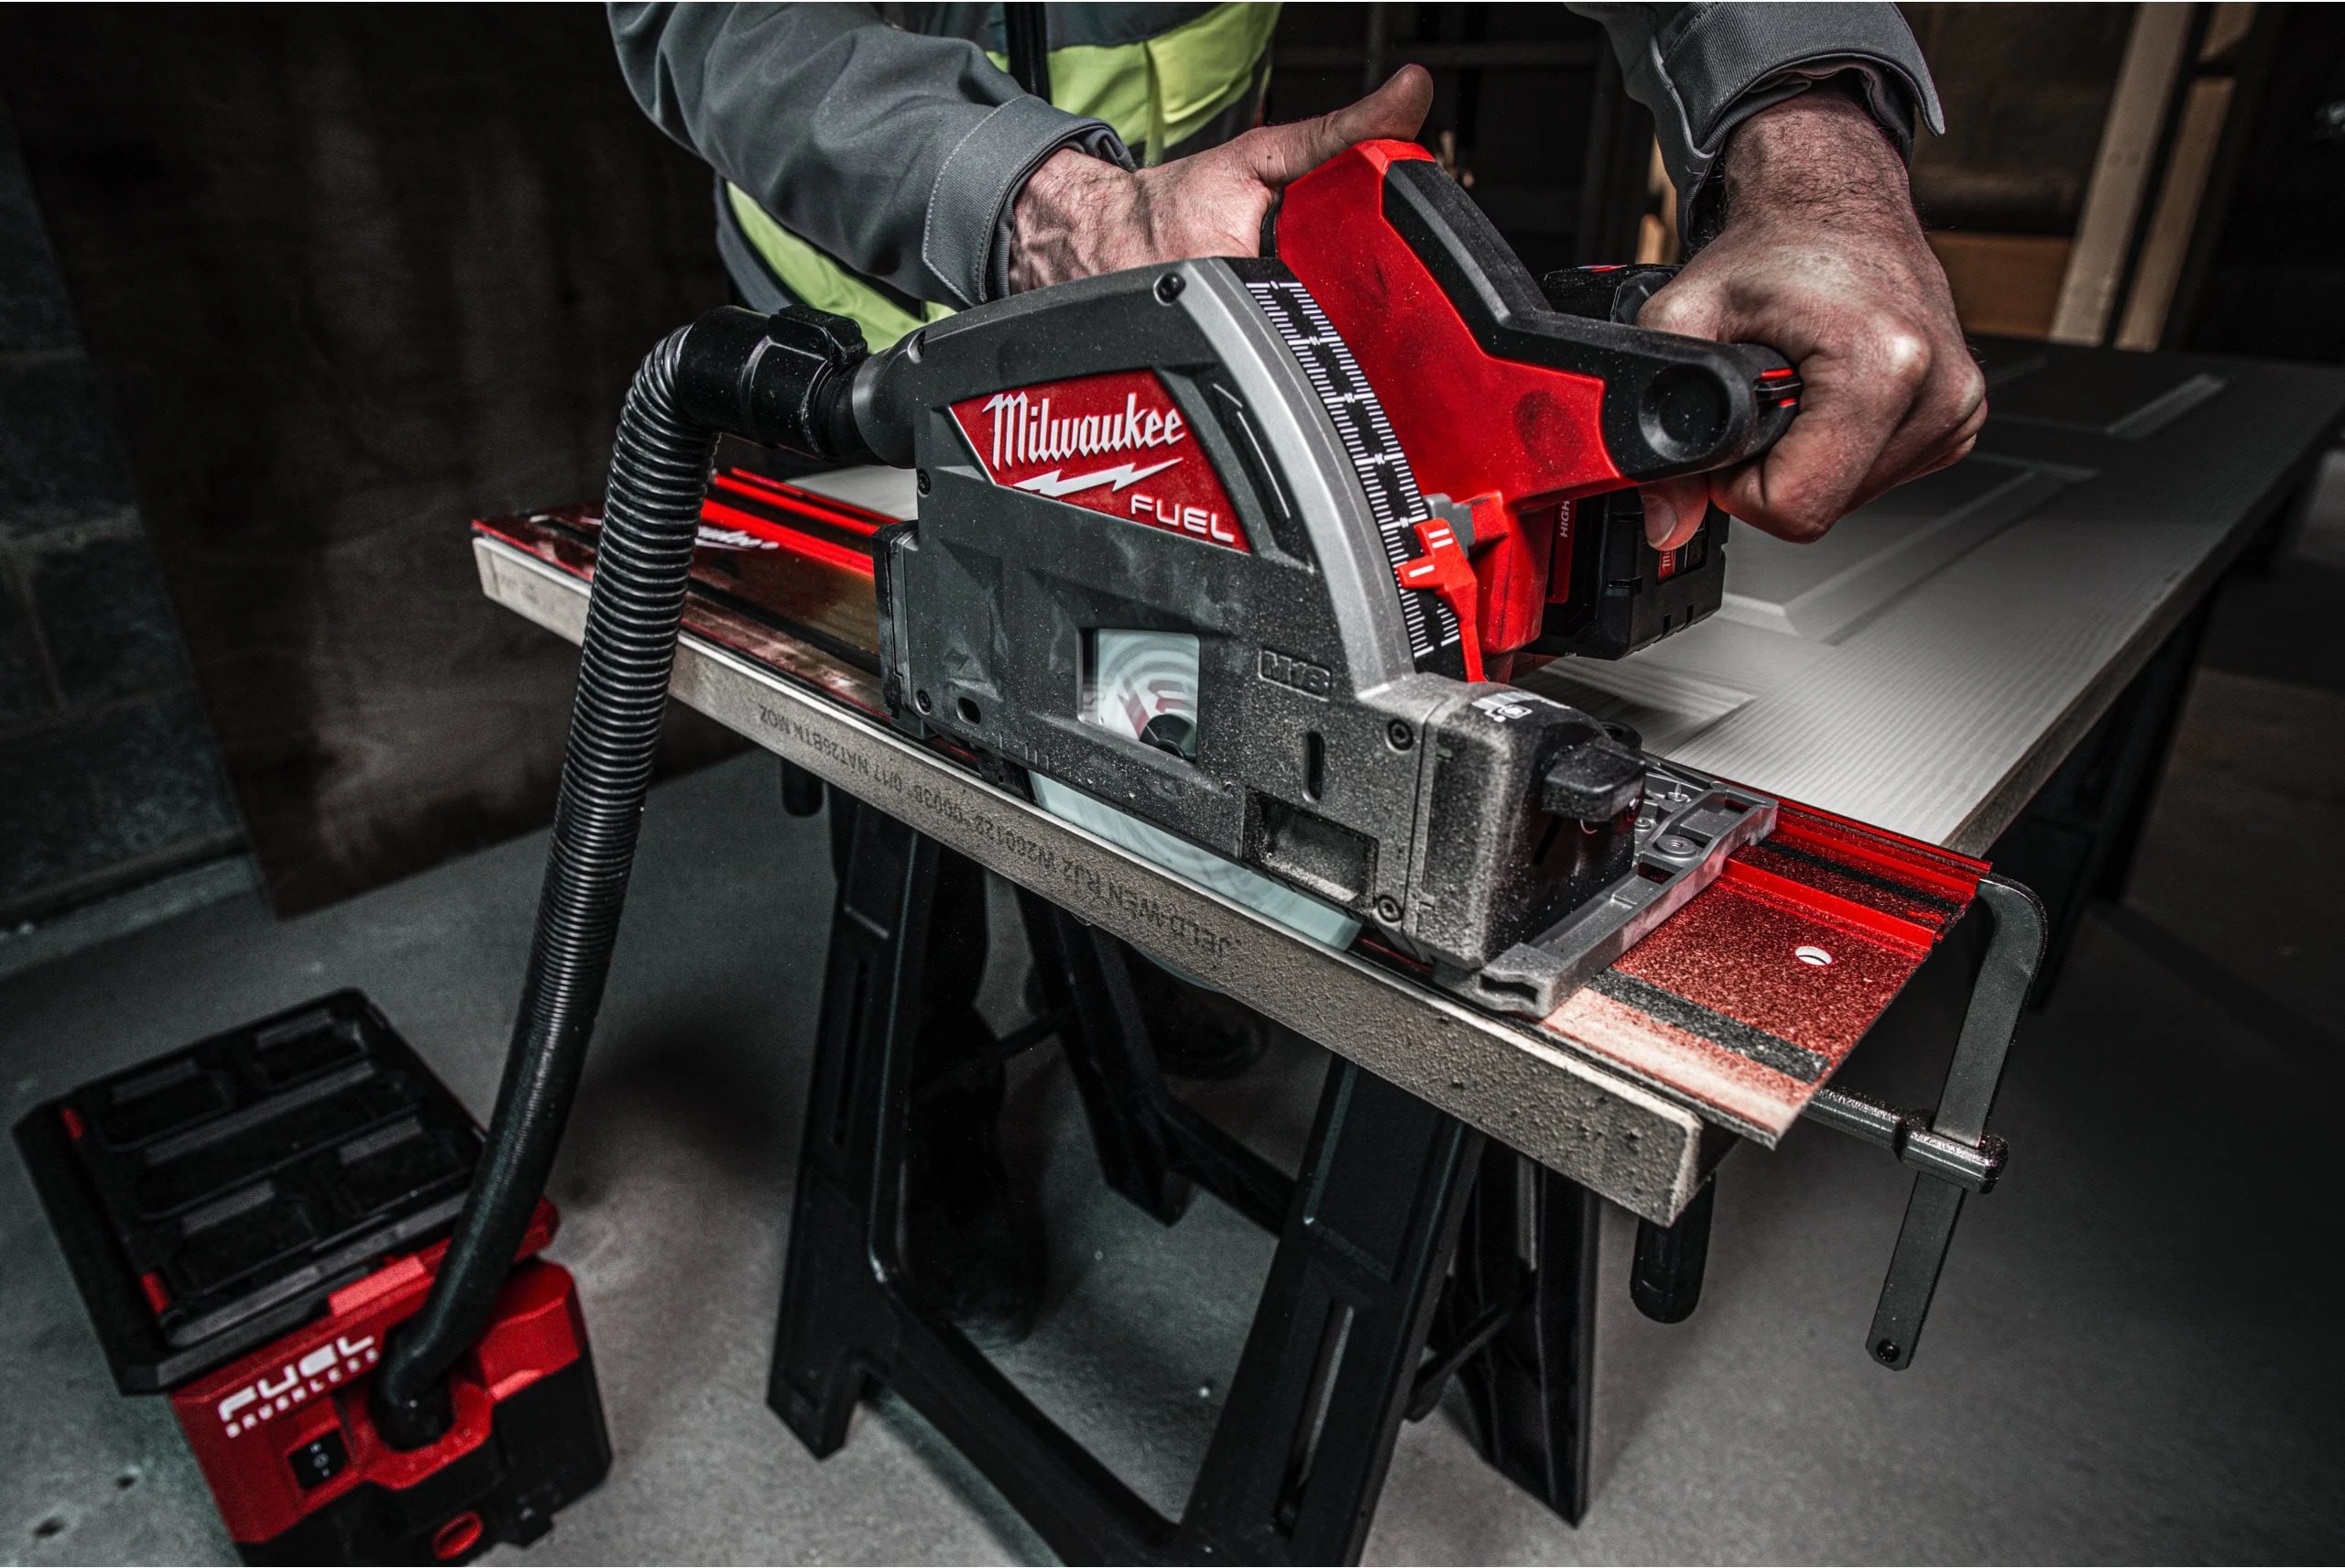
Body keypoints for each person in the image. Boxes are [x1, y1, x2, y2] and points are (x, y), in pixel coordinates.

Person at [608, 2, 1980, 1335]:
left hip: (1201, 306)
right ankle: (935, 1101)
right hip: (882, 328)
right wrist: (1050, 207)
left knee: (1161, 707)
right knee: (921, 769)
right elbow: (702, 17)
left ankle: (1137, 951)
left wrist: (1815, 153)